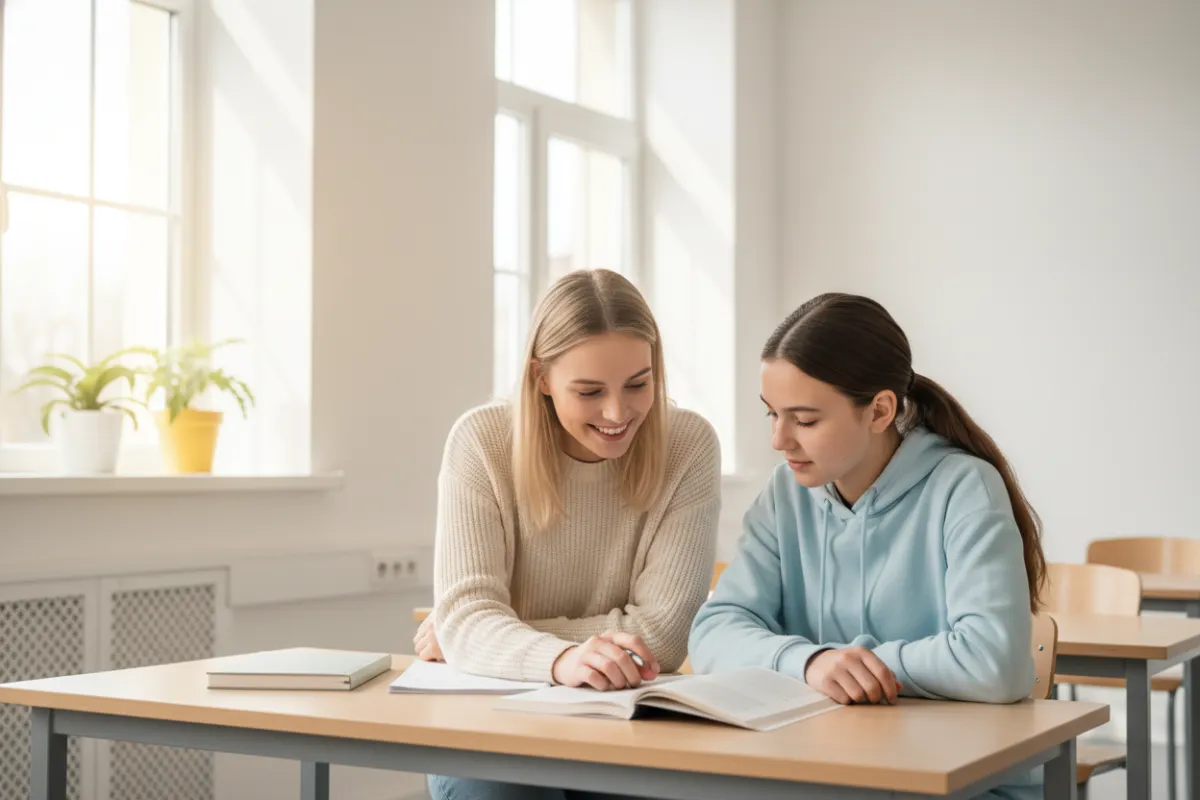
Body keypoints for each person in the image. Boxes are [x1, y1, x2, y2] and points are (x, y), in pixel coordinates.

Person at [689, 293, 1045, 799]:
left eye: (804, 420)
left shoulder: (964, 487)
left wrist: (855, 667)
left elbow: (995, 662)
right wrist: (811, 664)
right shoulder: (785, 493)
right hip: (829, 771)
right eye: (772, 414)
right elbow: (713, 632)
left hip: (962, 783)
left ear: (879, 410)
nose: (779, 440)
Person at [422, 268, 721, 800]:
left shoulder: (688, 445)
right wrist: (558, 660)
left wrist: (487, 634)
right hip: (490, 709)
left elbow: (663, 637)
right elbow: (466, 619)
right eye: (589, 391)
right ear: (541, 378)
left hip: (620, 711)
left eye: (638, 384)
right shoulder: (481, 442)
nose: (617, 412)